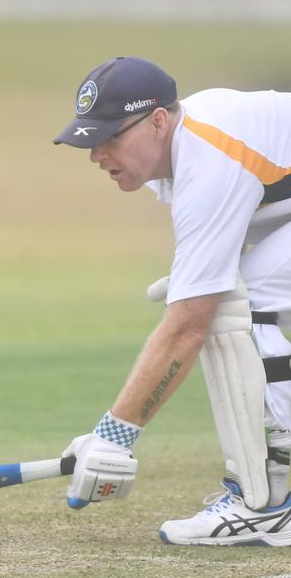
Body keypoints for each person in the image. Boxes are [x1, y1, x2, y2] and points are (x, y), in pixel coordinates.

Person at [53, 55, 291, 546]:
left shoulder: (207, 158)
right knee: (235, 298)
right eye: (90, 140)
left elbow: (189, 326)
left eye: (110, 137)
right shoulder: (188, 154)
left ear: (158, 121)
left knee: (238, 306)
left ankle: (271, 499)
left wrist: (115, 436)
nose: (97, 153)